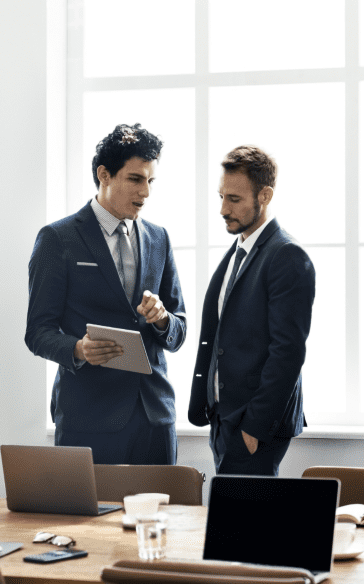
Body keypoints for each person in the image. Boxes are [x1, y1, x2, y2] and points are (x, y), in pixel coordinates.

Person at [25, 123, 186, 465]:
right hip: (89, 418)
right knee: (87, 520)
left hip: (155, 417)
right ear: (104, 174)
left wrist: (162, 320)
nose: (145, 192)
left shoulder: (160, 238)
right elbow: (37, 332)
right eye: (135, 179)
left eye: (150, 181)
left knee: (158, 519)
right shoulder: (57, 239)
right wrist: (79, 349)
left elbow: (179, 329)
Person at [188, 146, 315, 476]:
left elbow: (287, 353)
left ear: (265, 195)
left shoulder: (287, 256)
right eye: (221, 197)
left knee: (247, 524)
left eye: (234, 199)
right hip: (224, 417)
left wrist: (254, 429)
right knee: (233, 522)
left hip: (253, 424)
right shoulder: (240, 249)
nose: (222, 209)